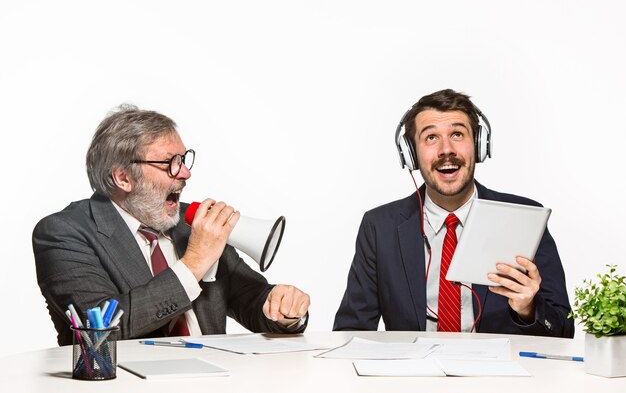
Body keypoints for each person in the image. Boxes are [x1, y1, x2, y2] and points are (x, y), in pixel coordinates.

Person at [33, 104, 310, 346]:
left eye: (184, 159)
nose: (186, 173)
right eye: (170, 163)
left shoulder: (192, 223)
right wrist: (194, 265)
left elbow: (250, 298)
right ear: (123, 178)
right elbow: (100, 332)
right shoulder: (62, 234)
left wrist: (283, 309)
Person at [334, 89, 574, 337]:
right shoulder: (379, 227)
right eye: (430, 138)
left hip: (497, 375)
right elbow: (351, 332)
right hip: (411, 374)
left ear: (479, 145)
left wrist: (528, 308)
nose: (446, 149)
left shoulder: (524, 217)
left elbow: (564, 331)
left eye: (458, 134)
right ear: (411, 154)